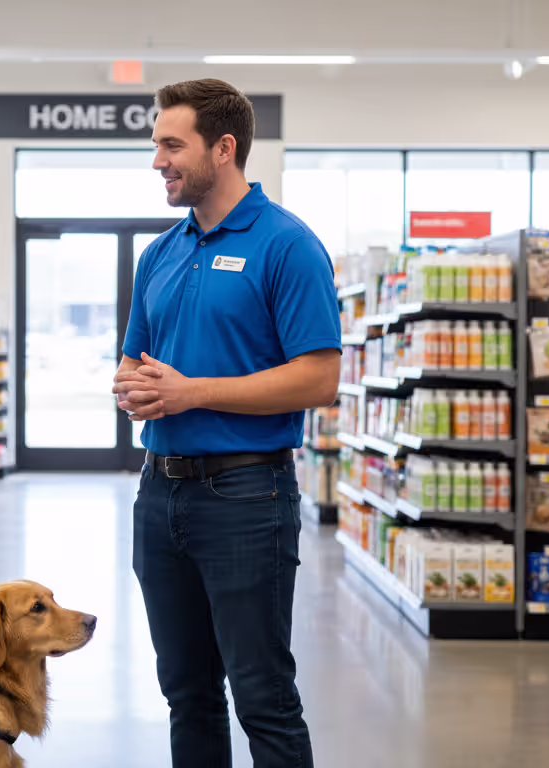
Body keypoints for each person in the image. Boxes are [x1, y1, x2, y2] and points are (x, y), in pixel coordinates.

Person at [113, 79, 339, 768]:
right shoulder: (161, 253)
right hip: (161, 496)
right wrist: (134, 390)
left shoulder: (286, 245)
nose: (158, 160)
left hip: (247, 499)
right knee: (187, 693)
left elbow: (319, 378)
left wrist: (192, 393)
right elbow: (132, 365)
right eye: (157, 146)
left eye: (171, 145)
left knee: (262, 695)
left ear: (224, 147)